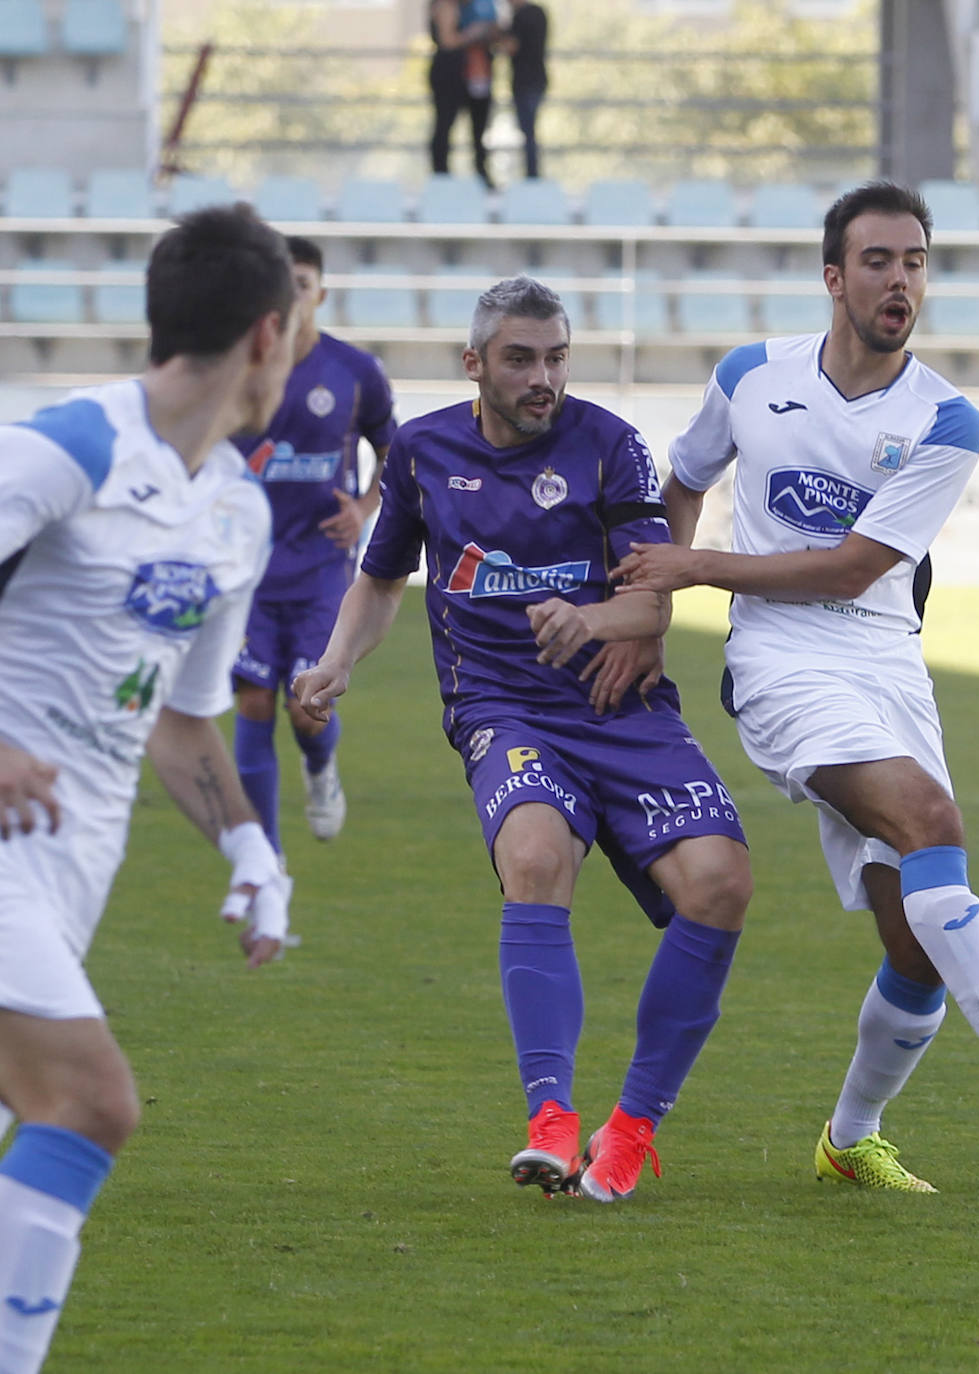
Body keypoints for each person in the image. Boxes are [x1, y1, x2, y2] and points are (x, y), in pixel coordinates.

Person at [611, 181, 979, 1193]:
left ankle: (849, 1139)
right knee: (931, 819)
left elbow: (852, 568)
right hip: (780, 662)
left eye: (916, 262)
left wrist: (695, 569)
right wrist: (653, 607)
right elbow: (684, 478)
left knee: (918, 936)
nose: (901, 281)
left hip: (886, 660)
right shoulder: (751, 375)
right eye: (880, 261)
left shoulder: (947, 419)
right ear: (834, 278)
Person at [295, 276, 751, 1203]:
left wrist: (595, 622)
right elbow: (382, 581)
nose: (542, 376)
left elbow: (651, 594)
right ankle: (551, 1119)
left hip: (619, 705)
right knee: (536, 857)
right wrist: (337, 661)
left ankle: (630, 1130)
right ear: (475, 364)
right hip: (501, 709)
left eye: (554, 357)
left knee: (721, 883)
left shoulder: (608, 445)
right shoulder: (422, 453)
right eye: (519, 359)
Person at [0, 203, 296, 1373]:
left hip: (72, 866)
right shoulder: (66, 446)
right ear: (269, 335)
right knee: (89, 1102)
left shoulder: (238, 512)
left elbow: (182, 723)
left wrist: (250, 850)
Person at [231, 235, 397, 857]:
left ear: (320, 292)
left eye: (304, 283)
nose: (294, 293)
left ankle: (320, 768)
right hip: (246, 571)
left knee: (306, 708)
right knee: (251, 701)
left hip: (322, 571)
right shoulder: (237, 365)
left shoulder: (354, 372)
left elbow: (392, 451)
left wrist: (364, 507)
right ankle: (264, 860)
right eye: (284, 283)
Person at [428, 0, 500, 187]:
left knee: (479, 128)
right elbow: (447, 41)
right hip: (449, 74)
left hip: (475, 73)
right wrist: (472, 33)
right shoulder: (445, 6)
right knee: (445, 125)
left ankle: (481, 174)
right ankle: (441, 175)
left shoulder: (477, 6)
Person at [498, 0, 548, 180]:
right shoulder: (540, 12)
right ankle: (533, 174)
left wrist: (497, 34)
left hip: (524, 82)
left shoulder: (519, 16)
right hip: (539, 79)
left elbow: (511, 47)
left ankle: (532, 175)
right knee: (530, 130)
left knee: (528, 131)